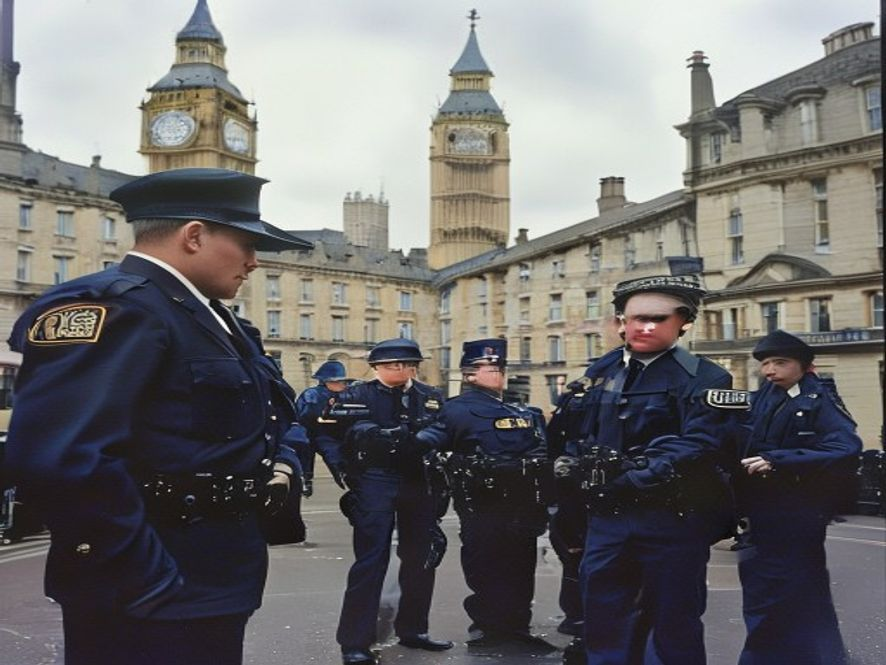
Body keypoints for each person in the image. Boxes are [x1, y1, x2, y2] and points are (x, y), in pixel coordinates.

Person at [3, 167, 312, 665]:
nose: (255, 262)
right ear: (194, 235)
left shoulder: (209, 317)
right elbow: (62, 459)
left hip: (211, 577)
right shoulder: (116, 308)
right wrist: (148, 582)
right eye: (245, 244)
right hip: (146, 592)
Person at [556, 274, 737, 665]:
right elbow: (574, 434)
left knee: (674, 624)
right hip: (607, 518)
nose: (643, 327)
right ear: (622, 320)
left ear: (683, 322)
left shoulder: (708, 378)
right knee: (604, 620)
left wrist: (635, 473)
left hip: (671, 518)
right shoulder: (598, 374)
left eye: (657, 318)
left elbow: (702, 442)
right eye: (634, 318)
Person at [315, 338, 452, 665]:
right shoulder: (354, 396)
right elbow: (324, 435)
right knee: (370, 562)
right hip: (375, 480)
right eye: (393, 365)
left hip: (418, 481)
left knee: (420, 559)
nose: (402, 370)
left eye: (408, 364)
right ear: (376, 367)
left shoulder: (430, 397)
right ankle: (354, 642)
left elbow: (448, 430)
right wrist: (345, 473)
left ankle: (414, 629)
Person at [416, 338, 555, 651]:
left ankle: (516, 629)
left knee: (521, 566)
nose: (499, 373)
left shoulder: (520, 410)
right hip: (482, 502)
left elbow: (541, 453)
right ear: (469, 374)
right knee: (486, 565)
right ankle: (489, 629)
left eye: (500, 368)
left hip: (521, 501)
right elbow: (428, 453)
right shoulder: (454, 410)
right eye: (491, 368)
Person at [735, 330, 861, 665]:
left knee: (792, 589)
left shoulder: (818, 399)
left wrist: (779, 460)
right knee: (765, 588)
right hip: (762, 511)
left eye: (780, 362)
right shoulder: (766, 395)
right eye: (764, 363)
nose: (770, 369)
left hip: (799, 512)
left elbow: (846, 447)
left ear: (804, 366)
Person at [294, 360, 350, 497]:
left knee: (335, 452)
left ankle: (345, 475)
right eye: (339, 381)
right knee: (308, 451)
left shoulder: (346, 394)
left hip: (333, 432)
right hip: (311, 431)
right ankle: (305, 480)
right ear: (327, 382)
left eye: (343, 381)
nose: (343, 384)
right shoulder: (312, 394)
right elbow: (304, 415)